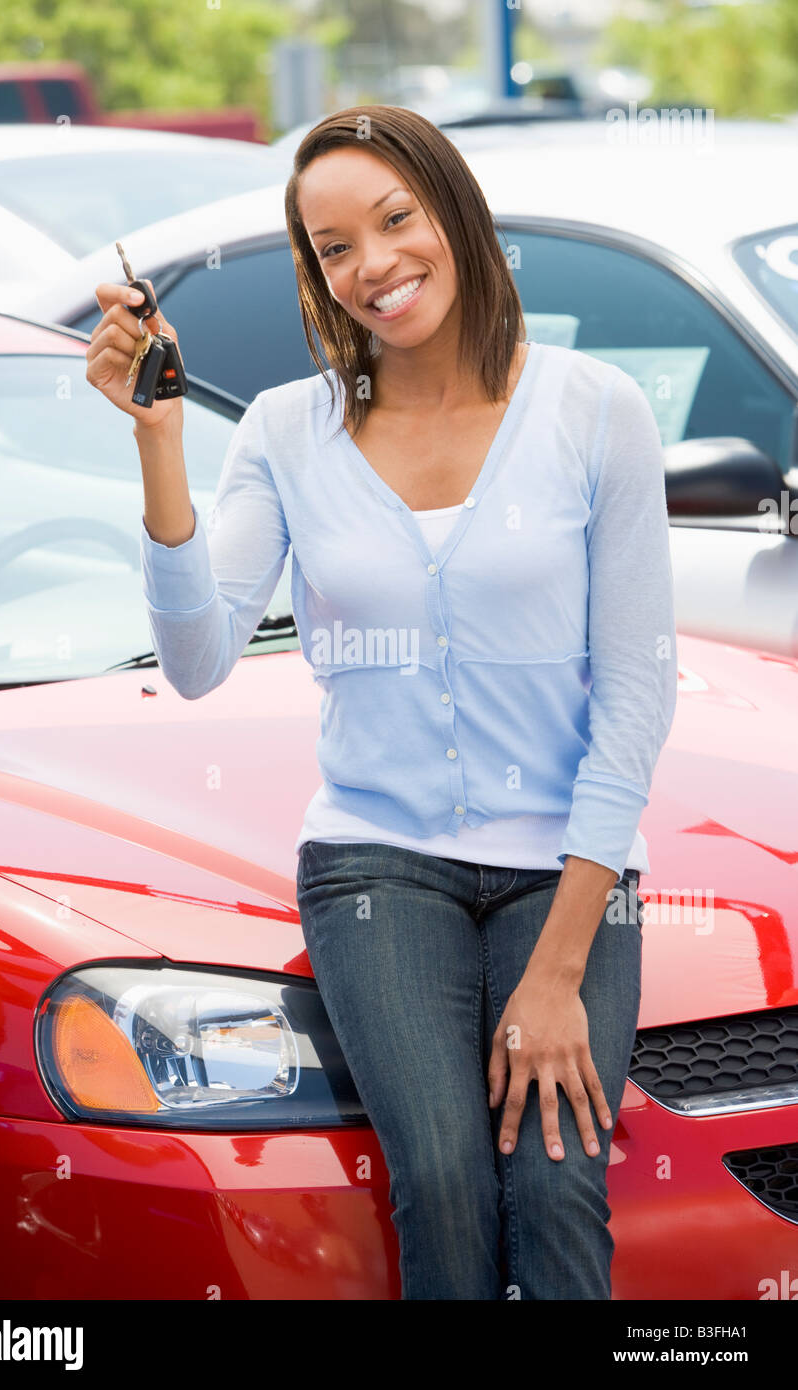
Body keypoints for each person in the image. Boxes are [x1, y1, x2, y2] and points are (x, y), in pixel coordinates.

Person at [85, 104, 677, 1300]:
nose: (373, 265)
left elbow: (633, 693)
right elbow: (197, 657)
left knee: (556, 1178)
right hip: (376, 866)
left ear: (451, 212)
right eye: (334, 246)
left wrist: (556, 969)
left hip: (564, 870)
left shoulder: (592, 409)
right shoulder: (286, 432)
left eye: (394, 219)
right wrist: (157, 444)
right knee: (446, 1181)